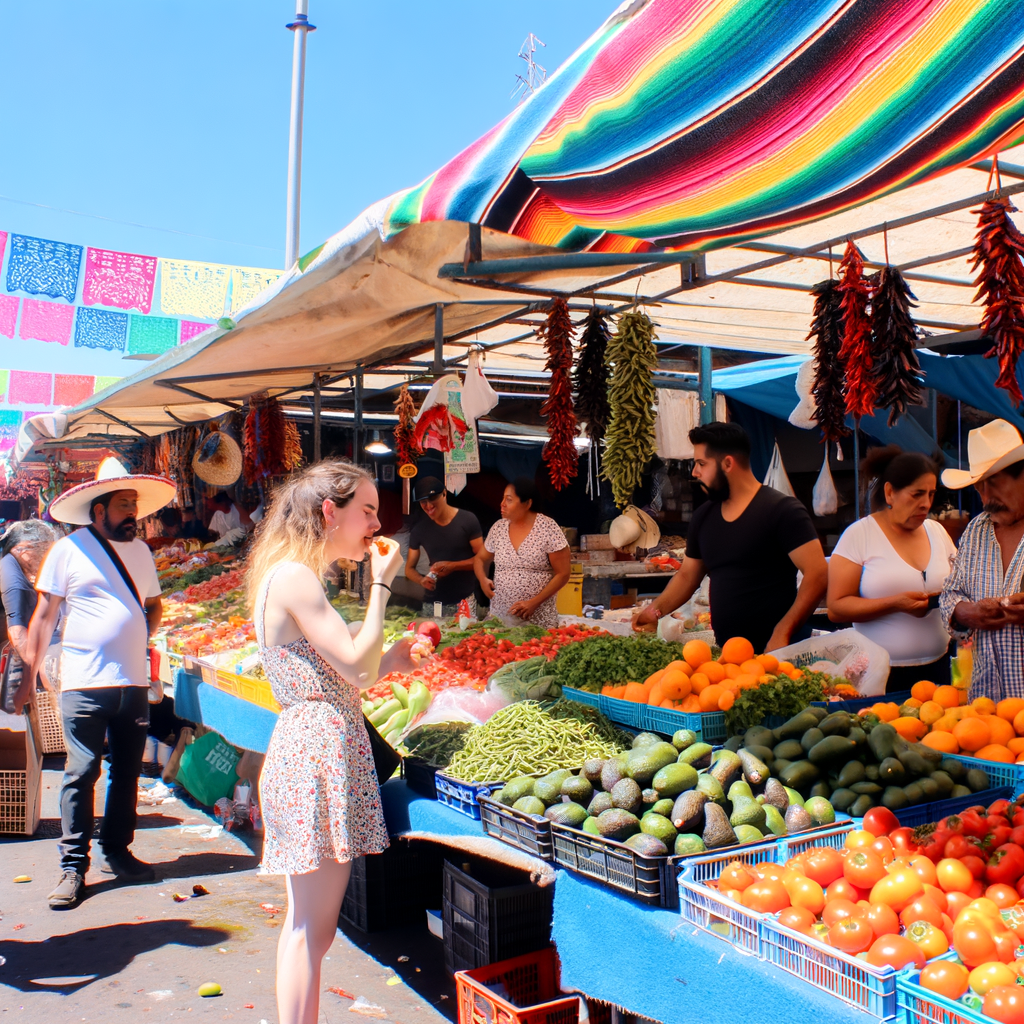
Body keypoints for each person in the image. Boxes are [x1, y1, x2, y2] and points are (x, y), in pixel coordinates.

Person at [245, 458, 415, 1024]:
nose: (375, 523)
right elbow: (356, 674)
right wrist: (382, 585)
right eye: (366, 510)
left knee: (307, 930)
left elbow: (348, 671)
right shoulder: (295, 576)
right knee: (308, 934)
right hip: (315, 756)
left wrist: (389, 658)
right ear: (328, 511)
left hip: (312, 748)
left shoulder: (290, 574)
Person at [15, 457, 175, 909]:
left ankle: (117, 851)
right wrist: (33, 671)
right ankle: (71, 868)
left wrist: (140, 633)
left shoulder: (141, 553)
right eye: (124, 505)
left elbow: (155, 605)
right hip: (84, 682)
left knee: (127, 773)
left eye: (135, 506)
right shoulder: (68, 550)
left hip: (132, 683)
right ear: (98, 509)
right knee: (81, 772)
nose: (132, 514)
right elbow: (44, 616)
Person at [633, 422, 828, 653]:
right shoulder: (703, 517)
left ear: (727, 463)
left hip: (781, 652)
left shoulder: (783, 510)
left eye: (701, 464)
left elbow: (817, 574)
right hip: (728, 654)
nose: (695, 473)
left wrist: (783, 631)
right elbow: (687, 577)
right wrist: (654, 610)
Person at [827, 447, 957, 692]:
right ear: (890, 493)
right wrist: (895, 603)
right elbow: (836, 608)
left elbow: (961, 586)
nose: (926, 504)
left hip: (939, 670)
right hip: (880, 675)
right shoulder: (860, 535)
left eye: (930, 494)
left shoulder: (937, 532)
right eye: (916, 494)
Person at [939, 419, 1024, 699]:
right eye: (979, 487)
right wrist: (966, 612)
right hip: (985, 706)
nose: (986, 498)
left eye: (995, 485)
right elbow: (950, 593)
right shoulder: (977, 528)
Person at [474, 477, 571, 628]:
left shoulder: (548, 528)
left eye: (509, 500)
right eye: (503, 498)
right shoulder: (498, 528)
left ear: (527, 503)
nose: (502, 504)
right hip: (500, 620)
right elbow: (480, 559)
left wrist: (533, 603)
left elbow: (563, 573)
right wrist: (482, 580)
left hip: (539, 623)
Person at [405, 476, 484, 618]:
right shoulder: (419, 529)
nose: (428, 505)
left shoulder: (467, 520)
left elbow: (482, 559)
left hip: (464, 600)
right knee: (429, 639)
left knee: (465, 639)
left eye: (432, 498)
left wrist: (453, 566)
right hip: (432, 603)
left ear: (444, 494)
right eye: (423, 502)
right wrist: (422, 580)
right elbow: (409, 569)